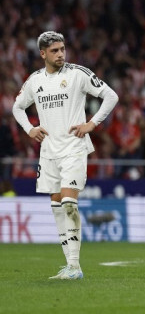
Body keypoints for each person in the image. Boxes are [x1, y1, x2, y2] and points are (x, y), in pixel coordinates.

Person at [12, 31, 119, 280]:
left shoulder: (77, 74)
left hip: (73, 147)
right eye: (55, 51)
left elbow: (110, 96)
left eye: (62, 49)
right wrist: (30, 129)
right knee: (57, 207)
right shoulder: (34, 81)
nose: (61, 54)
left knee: (69, 203)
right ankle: (70, 266)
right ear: (42, 53)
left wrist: (91, 123)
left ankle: (74, 266)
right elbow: (17, 107)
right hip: (49, 151)